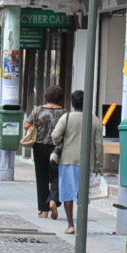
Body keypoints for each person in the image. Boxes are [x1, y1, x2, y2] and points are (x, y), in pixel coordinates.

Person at [51, 90, 92, 234]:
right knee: (82, 194)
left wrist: (61, 142)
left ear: (72, 103)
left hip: (67, 159)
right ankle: (82, 225)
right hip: (86, 161)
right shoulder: (93, 119)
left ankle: (70, 225)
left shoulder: (66, 118)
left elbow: (55, 136)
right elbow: (99, 144)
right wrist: (98, 163)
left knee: (68, 193)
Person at [27, 86, 68, 221]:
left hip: (39, 147)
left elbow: (26, 125)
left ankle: (43, 210)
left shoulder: (38, 110)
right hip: (57, 148)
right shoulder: (65, 113)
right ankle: (53, 200)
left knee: (42, 178)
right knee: (56, 176)